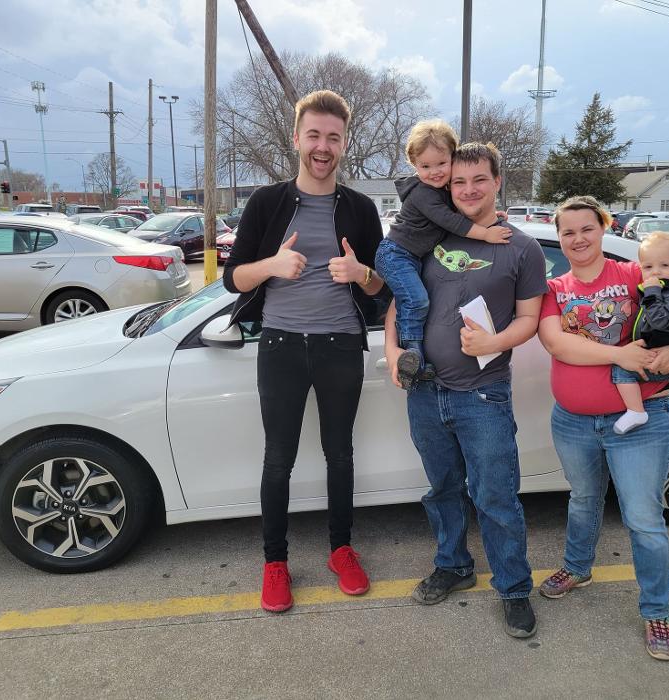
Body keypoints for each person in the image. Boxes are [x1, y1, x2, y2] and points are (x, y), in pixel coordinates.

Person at [223, 90, 386, 613]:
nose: (323, 146)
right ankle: (275, 562)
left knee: (340, 454)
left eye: (333, 138)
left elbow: (380, 287)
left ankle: (341, 550)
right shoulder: (267, 203)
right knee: (279, 459)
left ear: (344, 144)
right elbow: (233, 278)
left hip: (342, 346)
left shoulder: (360, 209)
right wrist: (271, 265)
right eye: (314, 135)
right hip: (281, 345)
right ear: (296, 139)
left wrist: (360, 272)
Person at [384, 142, 548, 638]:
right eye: (459, 181)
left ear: (497, 181)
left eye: (479, 179)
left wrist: (494, 342)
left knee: (495, 496)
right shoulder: (434, 234)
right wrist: (393, 352)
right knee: (442, 490)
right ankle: (453, 565)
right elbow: (399, 301)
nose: (469, 189)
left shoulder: (521, 248)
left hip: (483, 395)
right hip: (425, 392)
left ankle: (513, 588)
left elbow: (530, 318)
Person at [536, 195, 669, 661]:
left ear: (604, 228)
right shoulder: (554, 288)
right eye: (568, 232)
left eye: (586, 228)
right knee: (583, 500)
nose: (577, 239)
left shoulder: (633, 274)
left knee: (643, 519)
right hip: (573, 421)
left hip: (644, 419)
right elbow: (557, 343)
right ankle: (577, 567)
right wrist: (619, 355)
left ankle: (657, 612)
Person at [375, 119, 512, 388]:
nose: (435, 172)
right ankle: (412, 352)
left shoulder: (442, 191)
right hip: (396, 254)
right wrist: (485, 233)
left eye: (441, 163)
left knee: (414, 300)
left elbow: (463, 208)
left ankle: (416, 357)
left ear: (452, 156)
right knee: (416, 300)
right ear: (414, 165)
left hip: (410, 256)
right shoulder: (422, 193)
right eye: (425, 166)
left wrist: (490, 215)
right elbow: (450, 221)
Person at [612, 231, 669, 434]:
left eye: (664, 265)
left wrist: (651, 292)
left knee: (621, 370)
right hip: (653, 351)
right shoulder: (664, 290)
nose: (655, 272)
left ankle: (636, 411)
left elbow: (658, 320)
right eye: (648, 267)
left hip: (660, 360)